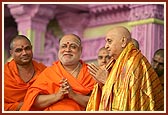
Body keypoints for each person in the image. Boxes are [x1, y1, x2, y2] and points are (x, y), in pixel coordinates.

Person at [86, 26, 164, 111]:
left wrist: (107, 81)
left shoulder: (133, 61)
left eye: (109, 41)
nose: (106, 46)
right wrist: (101, 84)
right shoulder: (115, 62)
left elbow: (130, 98)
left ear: (123, 42)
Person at [20, 34, 96, 111]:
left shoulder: (91, 72)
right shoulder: (49, 72)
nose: (67, 50)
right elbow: (33, 100)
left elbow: (98, 102)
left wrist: (73, 95)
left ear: (80, 50)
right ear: (59, 49)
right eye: (64, 46)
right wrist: (57, 95)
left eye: (73, 46)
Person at [4, 35, 46, 111]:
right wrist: (24, 105)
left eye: (27, 48)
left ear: (31, 48)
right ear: (11, 53)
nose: (24, 53)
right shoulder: (4, 73)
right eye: (19, 50)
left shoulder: (44, 71)